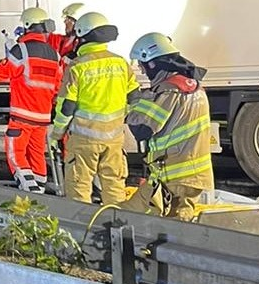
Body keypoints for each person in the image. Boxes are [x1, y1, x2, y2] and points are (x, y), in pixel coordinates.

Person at [121, 33, 214, 221]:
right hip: (191, 174)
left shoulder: (169, 90)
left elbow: (142, 129)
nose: (142, 69)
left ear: (153, 63)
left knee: (169, 226)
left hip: (174, 178)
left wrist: (130, 105)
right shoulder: (193, 86)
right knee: (132, 213)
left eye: (142, 64)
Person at [50, 12, 137, 204]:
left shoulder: (77, 66)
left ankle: (82, 230)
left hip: (84, 139)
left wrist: (56, 134)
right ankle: (117, 228)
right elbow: (134, 97)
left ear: (82, 36)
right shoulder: (120, 63)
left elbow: (67, 106)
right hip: (114, 138)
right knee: (114, 188)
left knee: (79, 188)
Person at [0, 7, 64, 193]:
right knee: (37, 155)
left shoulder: (21, 50)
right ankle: (39, 191)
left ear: (26, 26)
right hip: (42, 117)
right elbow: (58, 85)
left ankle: (29, 192)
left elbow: (1, 74)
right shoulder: (54, 54)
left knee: (15, 152)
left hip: (22, 116)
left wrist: (7, 57)